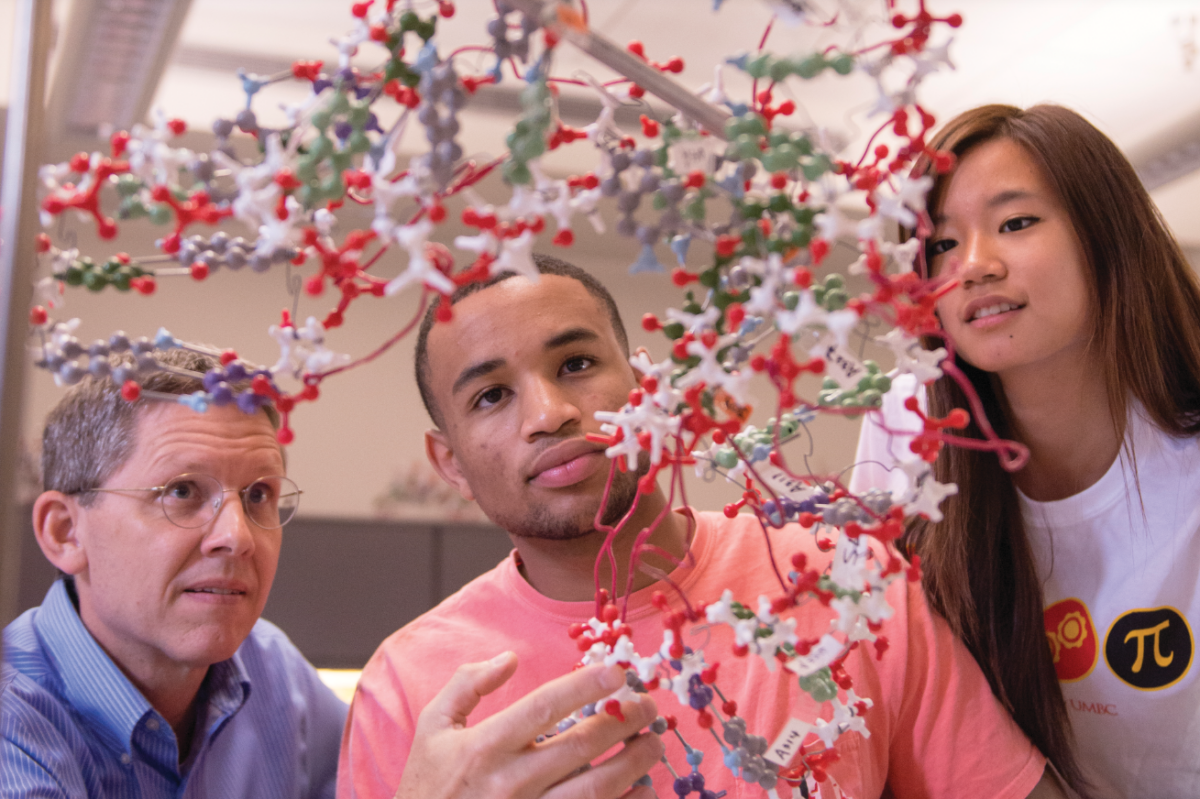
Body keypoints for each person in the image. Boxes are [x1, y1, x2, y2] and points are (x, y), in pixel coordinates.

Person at [338, 253, 1068, 799]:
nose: (549, 413)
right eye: (492, 394)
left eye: (577, 362)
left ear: (648, 383)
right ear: (451, 462)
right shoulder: (411, 685)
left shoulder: (842, 578)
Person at [0, 349, 662, 798]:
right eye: (180, 492)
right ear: (65, 531)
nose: (235, 536)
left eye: (259, 495)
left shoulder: (272, 677)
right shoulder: (14, 721)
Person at [851, 103, 1200, 798]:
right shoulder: (908, 419)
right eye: (942, 245)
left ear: (1109, 238)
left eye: (1016, 223)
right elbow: (874, 665)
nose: (974, 266)